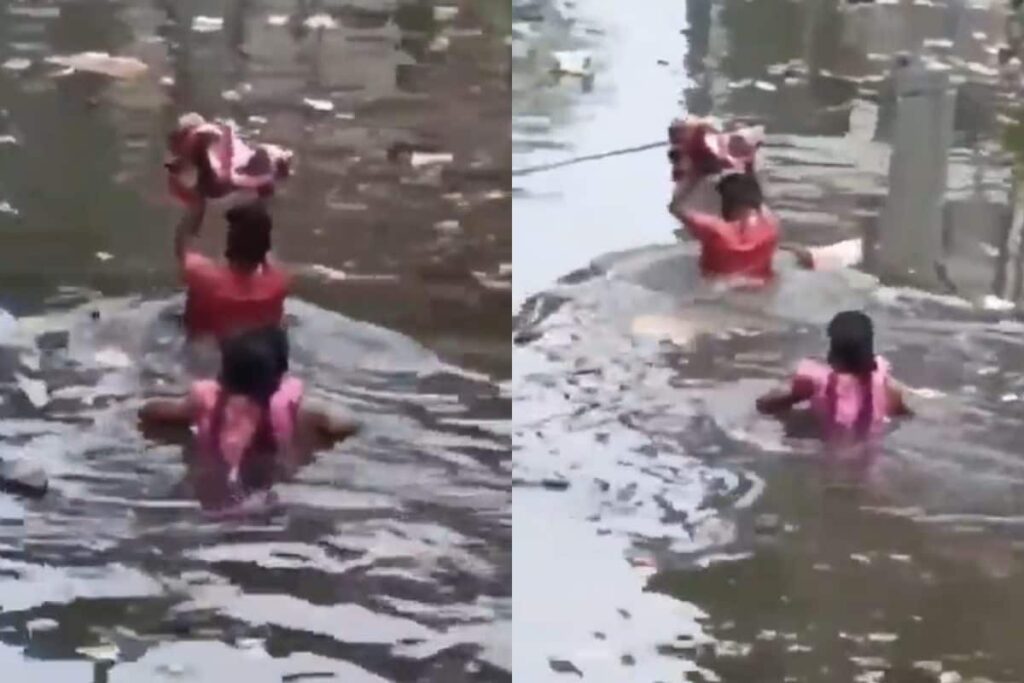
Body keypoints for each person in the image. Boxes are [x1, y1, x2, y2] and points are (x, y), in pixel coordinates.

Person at [139, 326, 359, 490]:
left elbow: (151, 413)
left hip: (212, 488)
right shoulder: (306, 412)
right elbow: (347, 425)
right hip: (278, 489)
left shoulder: (202, 401)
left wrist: (146, 404)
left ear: (222, 375)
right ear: (280, 375)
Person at [755, 310, 912, 439]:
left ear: (833, 349)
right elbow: (905, 415)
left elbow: (764, 405)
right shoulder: (886, 388)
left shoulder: (815, 381)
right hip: (869, 454)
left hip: (824, 451)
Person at [175, 198, 290, 340]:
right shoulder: (278, 283)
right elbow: (268, 259)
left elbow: (182, 243)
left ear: (229, 243)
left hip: (201, 353)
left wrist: (198, 201)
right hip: (259, 354)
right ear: (265, 248)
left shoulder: (202, 276)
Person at [669, 170, 780, 281]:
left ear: (727, 202)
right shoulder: (772, 224)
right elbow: (758, 205)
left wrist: (691, 178)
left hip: (719, 288)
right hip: (762, 288)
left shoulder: (714, 228)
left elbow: (676, 208)